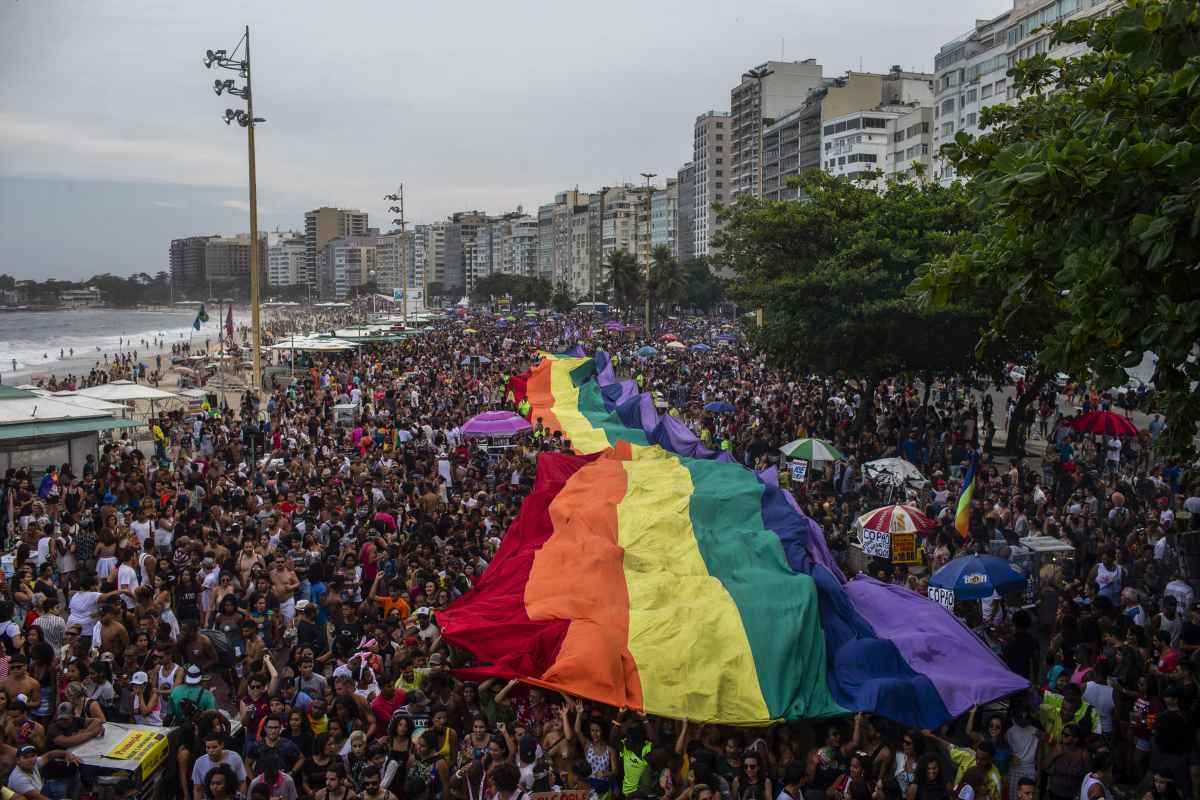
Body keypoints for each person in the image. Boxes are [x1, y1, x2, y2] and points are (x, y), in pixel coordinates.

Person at [7, 744, 83, 800]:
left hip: (41, 791)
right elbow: (38, 798)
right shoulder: (19, 779)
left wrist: (67, 754)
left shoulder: (34, 762)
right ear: (18, 761)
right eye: (26, 757)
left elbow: (50, 755)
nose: (31, 759)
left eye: (33, 755)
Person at [193, 733, 250, 800]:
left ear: (222, 745)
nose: (211, 751)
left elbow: (242, 782)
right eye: (208, 748)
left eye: (214, 747)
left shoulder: (234, 757)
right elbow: (198, 789)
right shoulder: (199, 763)